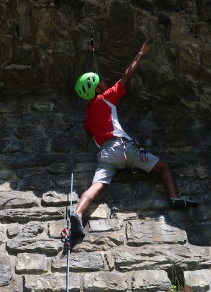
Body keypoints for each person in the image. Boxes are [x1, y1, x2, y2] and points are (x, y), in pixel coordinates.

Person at [69, 40, 197, 240]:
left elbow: (88, 131)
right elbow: (126, 76)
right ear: (96, 89)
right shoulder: (106, 97)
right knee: (163, 168)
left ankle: (77, 213)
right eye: (100, 82)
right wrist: (140, 54)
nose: (104, 82)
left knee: (98, 186)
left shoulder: (88, 113)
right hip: (124, 147)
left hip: (106, 155)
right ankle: (175, 198)